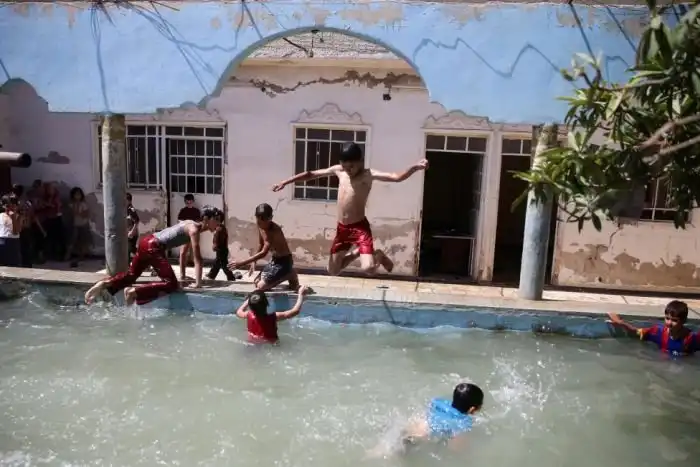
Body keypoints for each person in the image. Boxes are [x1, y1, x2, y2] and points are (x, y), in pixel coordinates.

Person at [272, 143, 428, 276]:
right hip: (342, 229)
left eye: (352, 166)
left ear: (361, 161)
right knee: (333, 270)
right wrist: (285, 182)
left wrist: (414, 167)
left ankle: (378, 256)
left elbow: (396, 177)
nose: (348, 170)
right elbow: (311, 174)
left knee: (368, 269)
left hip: (360, 228)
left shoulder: (368, 175)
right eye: (345, 166)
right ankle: (357, 252)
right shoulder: (339, 170)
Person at [84, 205, 222, 306]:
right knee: (171, 284)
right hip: (154, 246)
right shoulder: (194, 230)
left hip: (146, 242)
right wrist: (198, 284)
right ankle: (133, 292)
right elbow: (197, 258)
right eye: (216, 219)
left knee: (131, 275)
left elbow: (183, 253)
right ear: (206, 219)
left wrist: (183, 276)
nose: (218, 223)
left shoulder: (189, 225)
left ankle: (104, 284)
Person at [368, 382, 484, 458]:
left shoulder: (441, 402)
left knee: (382, 449)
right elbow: (455, 448)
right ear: (472, 409)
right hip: (417, 439)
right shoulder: (464, 422)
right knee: (396, 454)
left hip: (414, 425)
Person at [229, 203, 302, 292]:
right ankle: (287, 274)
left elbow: (264, 252)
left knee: (261, 287)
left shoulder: (274, 231)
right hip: (275, 260)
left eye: (264, 221)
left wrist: (242, 263)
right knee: (257, 282)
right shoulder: (260, 224)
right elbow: (261, 243)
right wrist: (254, 262)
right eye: (259, 221)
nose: (262, 224)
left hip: (284, 262)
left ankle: (290, 273)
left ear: (271, 218)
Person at [607, 300, 700, 356]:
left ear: (684, 321)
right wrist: (621, 323)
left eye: (674, 320)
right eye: (667, 318)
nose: (669, 323)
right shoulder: (658, 332)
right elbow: (636, 332)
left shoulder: (691, 338)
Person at [233, 287, 308, 344]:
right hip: (272, 344)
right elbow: (295, 311)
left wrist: (248, 301)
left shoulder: (248, 315)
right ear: (267, 303)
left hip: (252, 343)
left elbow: (239, 312)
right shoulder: (273, 317)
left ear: (250, 306)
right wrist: (301, 294)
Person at [11, 184, 41, 267]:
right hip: (26, 227)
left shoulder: (16, 203)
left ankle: (24, 264)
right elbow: (32, 214)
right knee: (26, 247)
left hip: (20, 227)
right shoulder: (27, 202)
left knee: (22, 247)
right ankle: (27, 264)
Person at [65, 187, 91, 268]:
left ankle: (82, 256)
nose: (77, 196)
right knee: (72, 240)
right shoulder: (71, 204)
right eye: (76, 194)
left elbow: (86, 214)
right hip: (74, 224)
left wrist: (79, 213)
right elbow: (70, 214)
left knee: (82, 240)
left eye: (79, 194)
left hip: (83, 224)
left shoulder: (83, 204)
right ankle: (68, 255)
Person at [176, 193, 201, 279]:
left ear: (193, 201)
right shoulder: (183, 210)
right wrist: (187, 223)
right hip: (185, 233)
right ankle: (182, 274)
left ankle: (196, 273)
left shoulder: (196, 211)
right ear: (185, 202)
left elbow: (198, 222)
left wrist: (192, 223)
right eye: (187, 202)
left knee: (195, 252)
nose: (189, 203)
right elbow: (179, 220)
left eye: (190, 202)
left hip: (194, 233)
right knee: (183, 252)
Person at [207, 211, 237, 281]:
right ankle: (211, 275)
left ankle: (231, 277)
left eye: (213, 218)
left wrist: (215, 246)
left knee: (224, 265)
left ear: (217, 219)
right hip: (222, 249)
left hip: (221, 250)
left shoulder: (219, 228)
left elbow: (217, 239)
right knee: (217, 263)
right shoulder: (220, 227)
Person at [0, 194, 22, 267]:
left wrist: (13, 219)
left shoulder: (18, 217)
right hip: (2, 241)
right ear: (4, 206)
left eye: (14, 205)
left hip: (13, 242)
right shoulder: (1, 216)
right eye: (8, 206)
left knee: (13, 265)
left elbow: (16, 232)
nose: (12, 208)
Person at [126, 193, 140, 261]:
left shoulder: (131, 209)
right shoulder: (126, 209)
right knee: (129, 250)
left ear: (129, 201)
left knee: (130, 249)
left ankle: (145, 258)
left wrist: (132, 232)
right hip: (128, 233)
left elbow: (137, 221)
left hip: (132, 234)